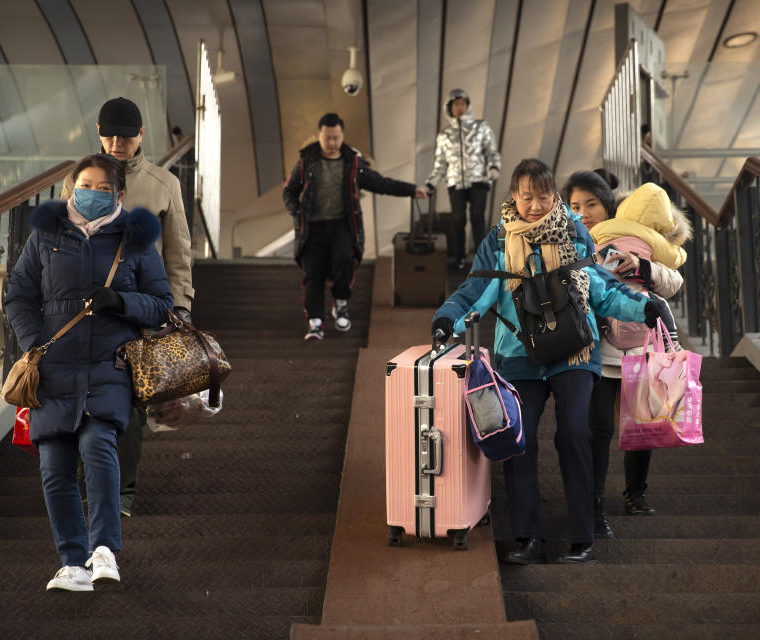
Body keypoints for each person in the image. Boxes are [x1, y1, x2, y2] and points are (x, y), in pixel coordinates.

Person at [431, 159, 671, 565]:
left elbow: (601, 286)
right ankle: (529, 537)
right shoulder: (497, 240)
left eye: (544, 196)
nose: (536, 205)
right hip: (519, 354)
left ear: (554, 195)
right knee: (516, 438)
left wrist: (645, 308)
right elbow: (476, 291)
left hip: (575, 351)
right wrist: (446, 319)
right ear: (513, 196)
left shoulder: (574, 232)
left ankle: (582, 537)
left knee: (573, 432)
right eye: (527, 197)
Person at [4, 153, 174, 591]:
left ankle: (104, 551)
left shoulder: (134, 240)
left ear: (119, 194)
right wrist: (32, 346)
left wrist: (121, 302)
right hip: (54, 368)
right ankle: (73, 563)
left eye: (103, 189)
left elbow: (161, 304)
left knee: (98, 444)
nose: (93, 194)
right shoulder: (46, 235)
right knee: (55, 465)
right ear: (70, 187)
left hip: (110, 362)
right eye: (86, 185)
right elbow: (19, 296)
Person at [61, 97, 193, 517]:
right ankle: (89, 488)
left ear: (140, 136)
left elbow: (178, 252)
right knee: (82, 400)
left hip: (140, 309)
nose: (117, 143)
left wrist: (181, 308)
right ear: (100, 133)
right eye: (110, 134)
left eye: (126, 135)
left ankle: (122, 493)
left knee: (132, 407)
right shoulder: (78, 179)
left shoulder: (163, 184)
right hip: (84, 308)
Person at [567, 176, 689, 526]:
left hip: (644, 348)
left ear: (610, 207)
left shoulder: (643, 243)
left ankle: (635, 494)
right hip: (599, 350)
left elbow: (675, 281)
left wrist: (642, 267)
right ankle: (594, 503)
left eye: (591, 204)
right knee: (599, 428)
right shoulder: (579, 244)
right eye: (576, 206)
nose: (584, 213)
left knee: (644, 424)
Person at [283, 112, 428, 340]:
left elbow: (380, 183)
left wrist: (411, 190)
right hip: (312, 228)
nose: (332, 143)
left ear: (342, 136)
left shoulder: (352, 163)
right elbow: (289, 190)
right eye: (327, 138)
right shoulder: (306, 161)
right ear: (319, 135)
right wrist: (296, 211)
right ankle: (315, 323)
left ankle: (340, 304)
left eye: (336, 138)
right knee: (313, 273)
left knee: (344, 260)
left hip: (343, 225)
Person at [426, 89, 501, 270]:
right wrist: (431, 182)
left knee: (477, 216)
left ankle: (482, 258)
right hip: (456, 182)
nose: (459, 107)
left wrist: (494, 167)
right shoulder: (444, 135)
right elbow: (441, 163)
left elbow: (491, 150)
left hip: (479, 180)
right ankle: (459, 259)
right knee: (458, 219)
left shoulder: (481, 126)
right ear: (449, 108)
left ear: (468, 106)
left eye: (462, 104)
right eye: (455, 104)